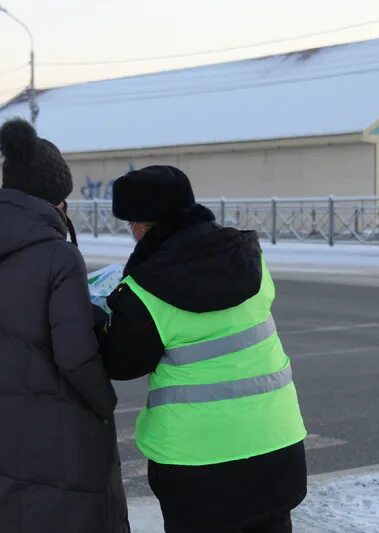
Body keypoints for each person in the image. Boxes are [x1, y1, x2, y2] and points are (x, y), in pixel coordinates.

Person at [97, 165, 307, 533]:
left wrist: (101, 314)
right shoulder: (250, 261)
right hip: (278, 448)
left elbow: (120, 361)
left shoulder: (145, 290)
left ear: (141, 225)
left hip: (197, 468)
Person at [0, 118, 129, 533]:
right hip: (52, 433)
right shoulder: (60, 258)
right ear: (54, 200)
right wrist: (105, 402)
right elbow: (74, 355)